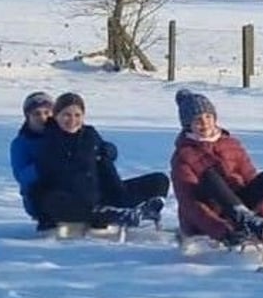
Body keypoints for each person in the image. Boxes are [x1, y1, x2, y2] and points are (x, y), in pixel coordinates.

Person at [170, 89, 263, 244]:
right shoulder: (183, 155)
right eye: (198, 120)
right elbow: (189, 204)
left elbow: (250, 177)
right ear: (188, 125)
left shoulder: (231, 144)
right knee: (210, 176)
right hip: (209, 220)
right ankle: (246, 220)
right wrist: (222, 231)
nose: (205, 123)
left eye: (208, 117)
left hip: (242, 207)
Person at [32, 92, 170, 229]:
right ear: (56, 116)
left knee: (160, 180)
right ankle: (111, 215)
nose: (72, 120)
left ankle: (147, 211)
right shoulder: (49, 140)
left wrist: (108, 150)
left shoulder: (89, 134)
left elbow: (107, 153)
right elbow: (53, 175)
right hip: (73, 199)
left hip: (105, 194)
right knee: (54, 202)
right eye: (66, 115)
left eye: (77, 115)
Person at [9, 91, 54, 229]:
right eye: (37, 113)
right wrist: (44, 165)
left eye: (47, 112)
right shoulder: (21, 143)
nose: (43, 117)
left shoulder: (63, 134)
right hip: (37, 197)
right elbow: (21, 176)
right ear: (28, 116)